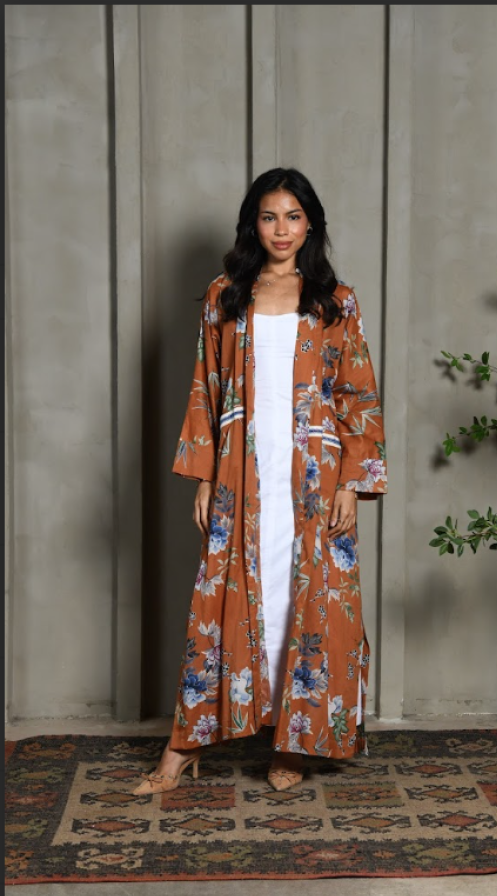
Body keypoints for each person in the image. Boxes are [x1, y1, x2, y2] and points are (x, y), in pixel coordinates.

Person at [133, 167, 388, 796]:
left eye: (293, 217)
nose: (281, 229)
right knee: (222, 600)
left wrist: (350, 485)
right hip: (241, 473)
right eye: (269, 217)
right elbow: (206, 385)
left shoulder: (335, 300)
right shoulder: (226, 295)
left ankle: (292, 742)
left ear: (311, 225)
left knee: (308, 603)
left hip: (314, 476)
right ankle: (184, 743)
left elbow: (357, 394)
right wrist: (204, 476)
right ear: (253, 224)